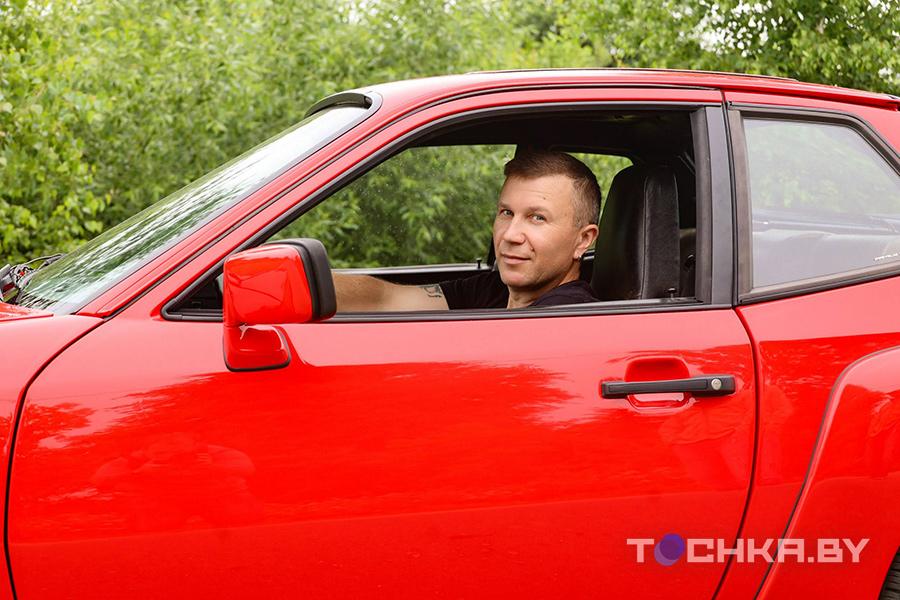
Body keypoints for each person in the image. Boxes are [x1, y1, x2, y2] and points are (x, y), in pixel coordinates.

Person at [333, 150, 601, 311]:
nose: (510, 235)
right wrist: (302, 285)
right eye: (506, 213)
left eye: (537, 218)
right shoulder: (494, 291)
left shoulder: (569, 316)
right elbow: (384, 299)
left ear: (583, 240)